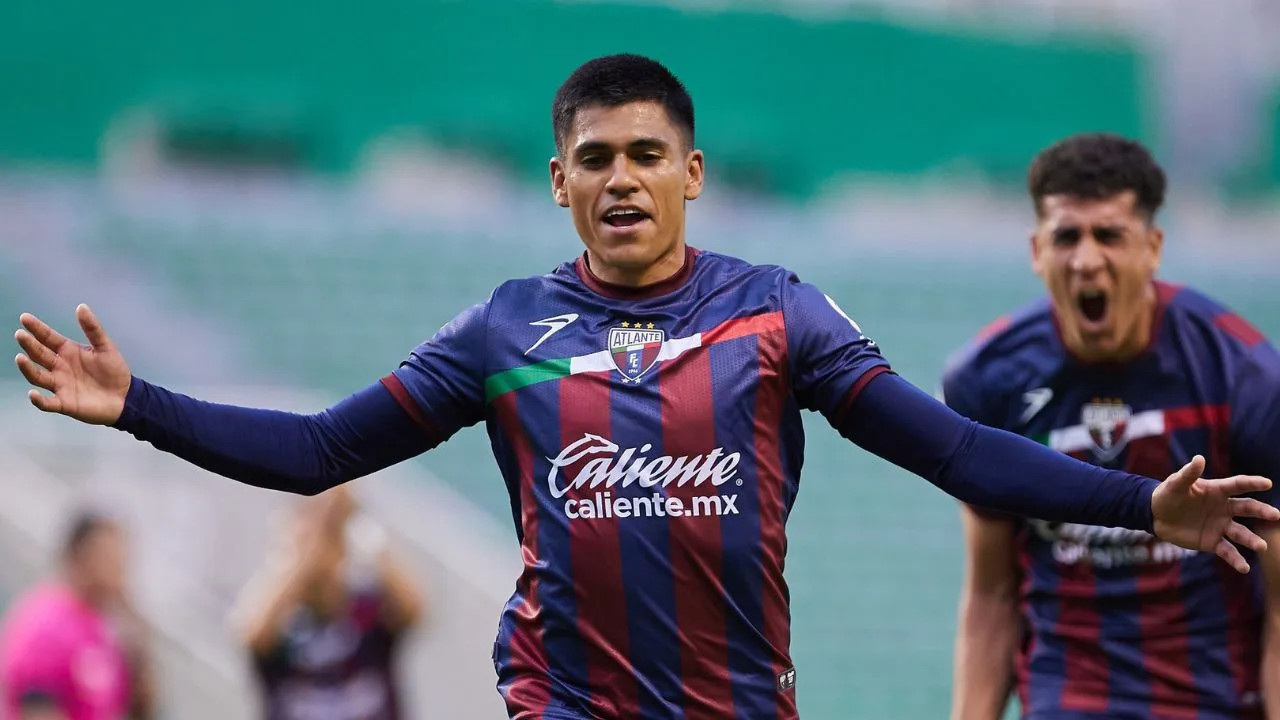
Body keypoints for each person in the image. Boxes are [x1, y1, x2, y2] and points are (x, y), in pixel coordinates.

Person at [10, 54, 1279, 720]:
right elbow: (316, 449)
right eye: (594, 158)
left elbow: (950, 452)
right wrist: (141, 405)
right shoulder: (504, 327)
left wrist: (1134, 508)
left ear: (693, 173)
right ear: (558, 181)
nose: (622, 178)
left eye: (646, 156)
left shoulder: (775, 311)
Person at [942, 133, 1280, 720]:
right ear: (1036, 250)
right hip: (1068, 699)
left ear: (1152, 247)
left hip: (1213, 702)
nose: (1087, 260)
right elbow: (992, 596)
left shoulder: (1243, 375)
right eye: (1067, 236)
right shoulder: (988, 380)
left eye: (1110, 235)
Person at [229, 485, 425, 720]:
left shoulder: (366, 614)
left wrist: (362, 525)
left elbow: (415, 609)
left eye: (331, 540)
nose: (321, 551)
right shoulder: (282, 629)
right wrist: (302, 552)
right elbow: (250, 632)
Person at [0, 512, 155, 720]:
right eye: (109, 556)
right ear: (80, 555)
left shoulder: (105, 628)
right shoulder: (48, 623)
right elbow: (36, 708)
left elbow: (141, 706)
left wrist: (136, 634)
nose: (119, 567)